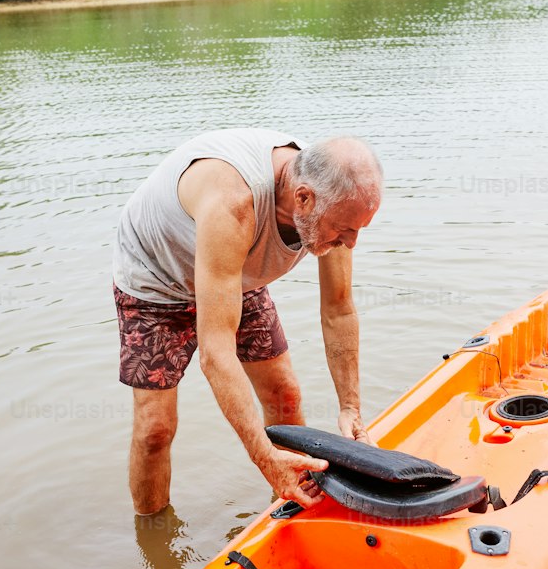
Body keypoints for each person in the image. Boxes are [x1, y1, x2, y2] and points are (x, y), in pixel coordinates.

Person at [112, 129, 383, 516]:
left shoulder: (334, 197)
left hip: (231, 271)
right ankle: (155, 536)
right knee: (155, 428)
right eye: (344, 230)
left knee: (284, 395)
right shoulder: (234, 202)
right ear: (302, 198)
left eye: (359, 229)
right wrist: (263, 456)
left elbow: (338, 309)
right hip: (156, 281)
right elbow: (215, 351)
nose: (351, 243)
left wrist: (350, 407)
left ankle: (293, 509)